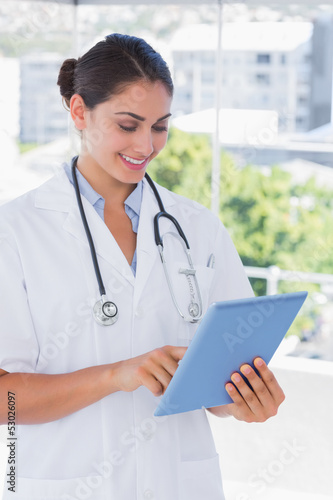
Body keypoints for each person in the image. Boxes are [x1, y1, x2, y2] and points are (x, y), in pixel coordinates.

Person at [0, 34, 284, 500]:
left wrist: (245, 401)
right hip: (59, 483)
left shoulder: (198, 228)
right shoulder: (15, 231)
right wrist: (118, 375)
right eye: (128, 125)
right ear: (78, 112)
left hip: (177, 483)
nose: (146, 145)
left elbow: (219, 384)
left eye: (160, 126)